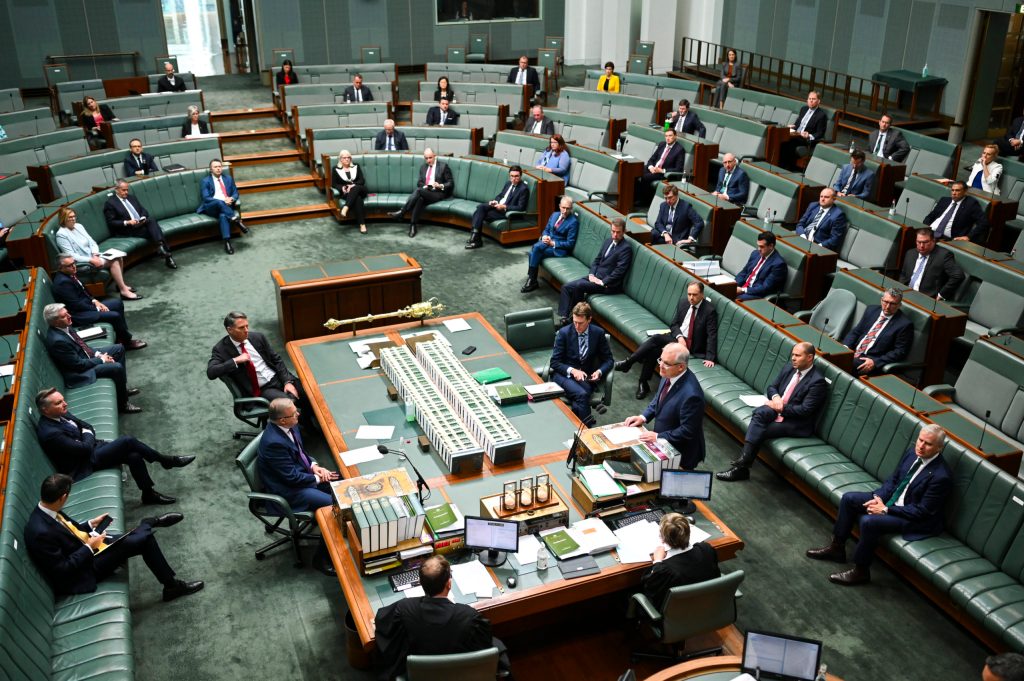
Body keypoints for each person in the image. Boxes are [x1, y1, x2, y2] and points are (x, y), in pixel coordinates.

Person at [806, 424, 952, 586]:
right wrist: (879, 498)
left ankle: (861, 571)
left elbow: (922, 511)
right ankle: (837, 548)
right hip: (890, 502)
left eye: (928, 444)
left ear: (939, 448)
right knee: (849, 499)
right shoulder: (912, 453)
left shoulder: (941, 476)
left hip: (913, 518)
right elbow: (894, 480)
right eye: (920, 440)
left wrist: (886, 509)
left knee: (869, 522)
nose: (921, 446)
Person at [24, 473, 203, 602]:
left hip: (89, 547)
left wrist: (90, 524)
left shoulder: (47, 507)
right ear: (62, 497)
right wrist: (89, 547)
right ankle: (150, 525)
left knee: (139, 538)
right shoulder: (41, 533)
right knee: (144, 539)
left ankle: (148, 524)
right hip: (84, 570)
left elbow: (70, 530)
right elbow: (62, 570)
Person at [35, 388, 192, 504]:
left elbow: (86, 425)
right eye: (59, 403)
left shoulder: (61, 412)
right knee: (127, 441)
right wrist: (87, 435)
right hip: (83, 464)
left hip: (92, 450)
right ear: (45, 409)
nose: (65, 404)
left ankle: (148, 494)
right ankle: (165, 460)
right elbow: (85, 447)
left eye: (63, 400)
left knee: (134, 455)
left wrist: (86, 435)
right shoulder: (50, 433)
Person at [375, 555, 511, 681]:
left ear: (421, 583)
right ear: (449, 584)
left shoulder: (405, 608)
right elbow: (485, 643)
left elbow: (381, 619)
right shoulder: (469, 616)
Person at [716, 342, 826, 482]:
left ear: (810, 357)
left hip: (796, 422)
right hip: (779, 408)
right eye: (792, 354)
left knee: (762, 428)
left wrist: (779, 407)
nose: (793, 358)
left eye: (797, 355)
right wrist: (776, 398)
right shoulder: (789, 368)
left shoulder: (817, 381)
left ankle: (741, 467)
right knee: (759, 413)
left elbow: (805, 410)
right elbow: (772, 387)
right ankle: (744, 461)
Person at [257, 398, 339, 575]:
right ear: (283, 420)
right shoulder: (273, 443)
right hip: (288, 491)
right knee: (334, 508)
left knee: (341, 485)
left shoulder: (290, 426)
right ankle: (321, 559)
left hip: (301, 478)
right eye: (294, 413)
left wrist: (314, 467)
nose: (299, 414)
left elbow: (300, 453)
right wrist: (317, 479)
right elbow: (291, 478)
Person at [616, 282, 717, 399]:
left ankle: (629, 363)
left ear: (702, 295)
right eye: (689, 294)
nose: (691, 298)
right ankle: (642, 382)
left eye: (694, 295)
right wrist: (679, 337)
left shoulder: (709, 310)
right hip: (677, 338)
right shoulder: (683, 302)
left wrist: (710, 358)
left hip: (691, 345)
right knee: (654, 349)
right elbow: (674, 324)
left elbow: (711, 335)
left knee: (656, 339)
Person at [43, 303, 141, 414]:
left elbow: (82, 346)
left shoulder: (64, 326)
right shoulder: (57, 341)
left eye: (67, 313)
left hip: (85, 358)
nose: (69, 316)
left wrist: (99, 355)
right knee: (116, 367)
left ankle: (122, 389)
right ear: (55, 321)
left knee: (119, 349)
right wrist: (102, 360)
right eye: (65, 316)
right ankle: (123, 404)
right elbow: (78, 365)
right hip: (78, 373)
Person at [623, 342, 706, 469]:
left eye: (666, 363)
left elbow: (687, 431)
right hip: (663, 446)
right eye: (660, 360)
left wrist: (657, 436)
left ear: (681, 367)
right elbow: (660, 399)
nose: (660, 365)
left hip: (680, 454)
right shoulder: (669, 373)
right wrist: (643, 417)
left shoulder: (692, 395)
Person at [207, 311, 307, 406]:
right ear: (230, 330)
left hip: (278, 377)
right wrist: (236, 360)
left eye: (247, 326)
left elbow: (276, 360)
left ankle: (309, 420)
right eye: (241, 328)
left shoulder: (257, 337)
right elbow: (211, 372)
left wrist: (287, 382)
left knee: (309, 391)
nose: (246, 330)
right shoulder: (221, 349)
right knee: (287, 404)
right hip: (263, 389)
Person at [51, 255, 146, 350]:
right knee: (114, 315)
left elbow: (83, 291)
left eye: (74, 263)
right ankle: (127, 342)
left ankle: (121, 336)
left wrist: (94, 300)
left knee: (117, 303)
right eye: (69, 265)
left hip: (86, 305)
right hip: (77, 315)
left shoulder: (69, 274)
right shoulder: (62, 283)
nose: (74, 266)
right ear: (60, 268)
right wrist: (97, 309)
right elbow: (76, 305)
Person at [557, 218, 632, 324]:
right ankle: (565, 317)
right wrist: (591, 274)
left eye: (618, 232)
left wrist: (602, 282)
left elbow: (619, 272)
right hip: (594, 278)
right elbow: (597, 260)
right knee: (566, 287)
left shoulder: (626, 248)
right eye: (613, 231)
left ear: (624, 232)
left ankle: (576, 317)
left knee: (579, 286)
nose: (615, 235)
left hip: (608, 285)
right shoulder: (608, 242)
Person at [55, 206, 140, 300]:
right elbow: (71, 256)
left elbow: (92, 242)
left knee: (119, 256)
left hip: (93, 256)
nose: (73, 219)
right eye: (70, 217)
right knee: (114, 261)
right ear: (63, 219)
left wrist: (95, 254)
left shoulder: (79, 226)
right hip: (83, 263)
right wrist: (91, 259)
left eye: (74, 216)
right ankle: (124, 291)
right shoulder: (61, 234)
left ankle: (121, 285)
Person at [550, 302, 613, 426]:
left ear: (589, 319)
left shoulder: (598, 333)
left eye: (580, 323)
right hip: (564, 376)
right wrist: (573, 371)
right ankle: (587, 427)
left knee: (579, 399)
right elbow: (554, 362)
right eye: (574, 322)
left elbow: (609, 360)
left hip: (585, 380)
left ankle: (576, 426)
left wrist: (599, 371)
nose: (577, 326)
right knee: (582, 394)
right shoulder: (564, 333)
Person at [638, 513, 720, 607]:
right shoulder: (706, 549)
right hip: (708, 605)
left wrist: (657, 561)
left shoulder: (664, 571)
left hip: (677, 614)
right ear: (688, 532)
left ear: (663, 539)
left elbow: (649, 589)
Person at [104, 179, 176, 269]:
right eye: (123, 190)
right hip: (128, 229)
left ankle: (162, 248)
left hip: (140, 224)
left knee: (151, 221)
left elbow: (143, 210)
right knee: (155, 229)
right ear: (116, 189)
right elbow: (111, 222)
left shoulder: (131, 197)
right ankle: (167, 255)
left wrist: (142, 217)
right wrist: (127, 222)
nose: (126, 192)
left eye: (127, 189)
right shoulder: (111, 203)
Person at [842, 288, 913, 376]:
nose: (887, 306)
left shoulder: (904, 324)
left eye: (892, 304)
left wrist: (875, 362)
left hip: (869, 360)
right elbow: (856, 332)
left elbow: (899, 352)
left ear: (899, 305)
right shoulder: (871, 310)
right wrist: (845, 347)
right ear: (881, 300)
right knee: (835, 356)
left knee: (842, 363)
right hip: (853, 352)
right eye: (886, 302)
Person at [388, 148, 453, 238]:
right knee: (420, 199)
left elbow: (450, 183)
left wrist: (440, 185)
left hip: (438, 193)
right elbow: (419, 183)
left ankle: (402, 212)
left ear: (434, 156)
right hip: (426, 191)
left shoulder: (443, 166)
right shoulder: (423, 167)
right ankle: (412, 225)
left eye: (430, 158)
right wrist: (426, 186)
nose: (428, 160)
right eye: (426, 158)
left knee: (418, 191)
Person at [521, 196, 578, 293]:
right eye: (563, 207)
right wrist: (544, 236)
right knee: (535, 249)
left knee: (535, 250)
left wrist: (553, 243)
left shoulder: (573, 222)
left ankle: (531, 279)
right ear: (559, 206)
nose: (565, 211)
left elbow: (570, 244)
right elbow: (546, 229)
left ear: (571, 208)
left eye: (568, 208)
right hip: (547, 243)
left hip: (559, 249)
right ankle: (532, 280)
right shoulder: (554, 215)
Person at [466, 165, 529, 250]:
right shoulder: (508, 183)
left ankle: (475, 238)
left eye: (516, 176)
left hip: (505, 212)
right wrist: (495, 201)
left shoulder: (523, 189)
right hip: (497, 206)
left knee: (479, 213)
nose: (514, 179)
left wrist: (504, 206)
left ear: (520, 176)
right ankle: (476, 238)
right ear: (509, 176)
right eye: (512, 176)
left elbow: (521, 207)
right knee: (480, 208)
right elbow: (501, 195)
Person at [197, 158, 248, 254]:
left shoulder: (228, 178)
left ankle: (227, 242)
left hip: (225, 207)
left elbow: (235, 193)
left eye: (219, 166)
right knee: (220, 203)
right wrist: (223, 201)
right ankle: (236, 220)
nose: (218, 168)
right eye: (215, 167)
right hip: (211, 207)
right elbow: (206, 198)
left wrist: (231, 199)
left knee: (223, 216)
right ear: (211, 169)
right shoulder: (205, 181)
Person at [899, 228, 965, 300]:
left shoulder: (943, 255)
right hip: (905, 293)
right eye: (919, 242)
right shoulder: (910, 253)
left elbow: (958, 276)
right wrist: (900, 288)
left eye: (925, 242)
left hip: (926, 298)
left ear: (933, 241)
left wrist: (941, 294)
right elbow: (903, 274)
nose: (921, 246)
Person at [923, 180, 988, 243]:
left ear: (965, 191)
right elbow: (930, 216)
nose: (954, 193)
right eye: (952, 190)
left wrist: (969, 237)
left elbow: (984, 222)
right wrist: (924, 228)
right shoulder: (944, 200)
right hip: (929, 232)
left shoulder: (971, 204)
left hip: (948, 239)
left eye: (957, 190)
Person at [734, 231, 787, 301]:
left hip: (758, 295)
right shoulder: (755, 254)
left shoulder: (778, 264)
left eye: (762, 246)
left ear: (771, 246)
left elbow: (765, 288)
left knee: (734, 299)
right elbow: (744, 272)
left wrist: (743, 290)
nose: (759, 249)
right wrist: (733, 285)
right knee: (723, 290)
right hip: (744, 288)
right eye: (758, 245)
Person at [637, 128, 685, 204]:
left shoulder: (679, 149)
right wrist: (651, 167)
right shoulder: (662, 144)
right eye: (666, 136)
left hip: (663, 174)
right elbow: (651, 159)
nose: (668, 138)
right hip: (654, 168)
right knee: (636, 171)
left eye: (670, 136)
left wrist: (662, 170)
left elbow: (679, 169)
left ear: (675, 136)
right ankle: (634, 197)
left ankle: (644, 201)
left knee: (645, 177)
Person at [781, 91, 827, 169]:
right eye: (809, 99)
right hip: (796, 135)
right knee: (781, 140)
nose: (811, 100)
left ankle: (787, 168)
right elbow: (797, 125)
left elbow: (820, 133)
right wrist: (791, 127)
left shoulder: (821, 115)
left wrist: (809, 135)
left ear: (818, 101)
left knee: (788, 144)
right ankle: (779, 165)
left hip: (805, 139)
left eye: (813, 99)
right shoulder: (804, 109)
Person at [333, 150, 368, 234]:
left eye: (348, 157)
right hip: (347, 193)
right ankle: (362, 224)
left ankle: (346, 207)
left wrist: (353, 185)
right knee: (358, 199)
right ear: (340, 159)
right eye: (344, 158)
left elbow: (362, 180)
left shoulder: (356, 166)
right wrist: (343, 188)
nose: (347, 159)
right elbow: (334, 184)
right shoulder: (335, 169)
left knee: (355, 188)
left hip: (360, 189)